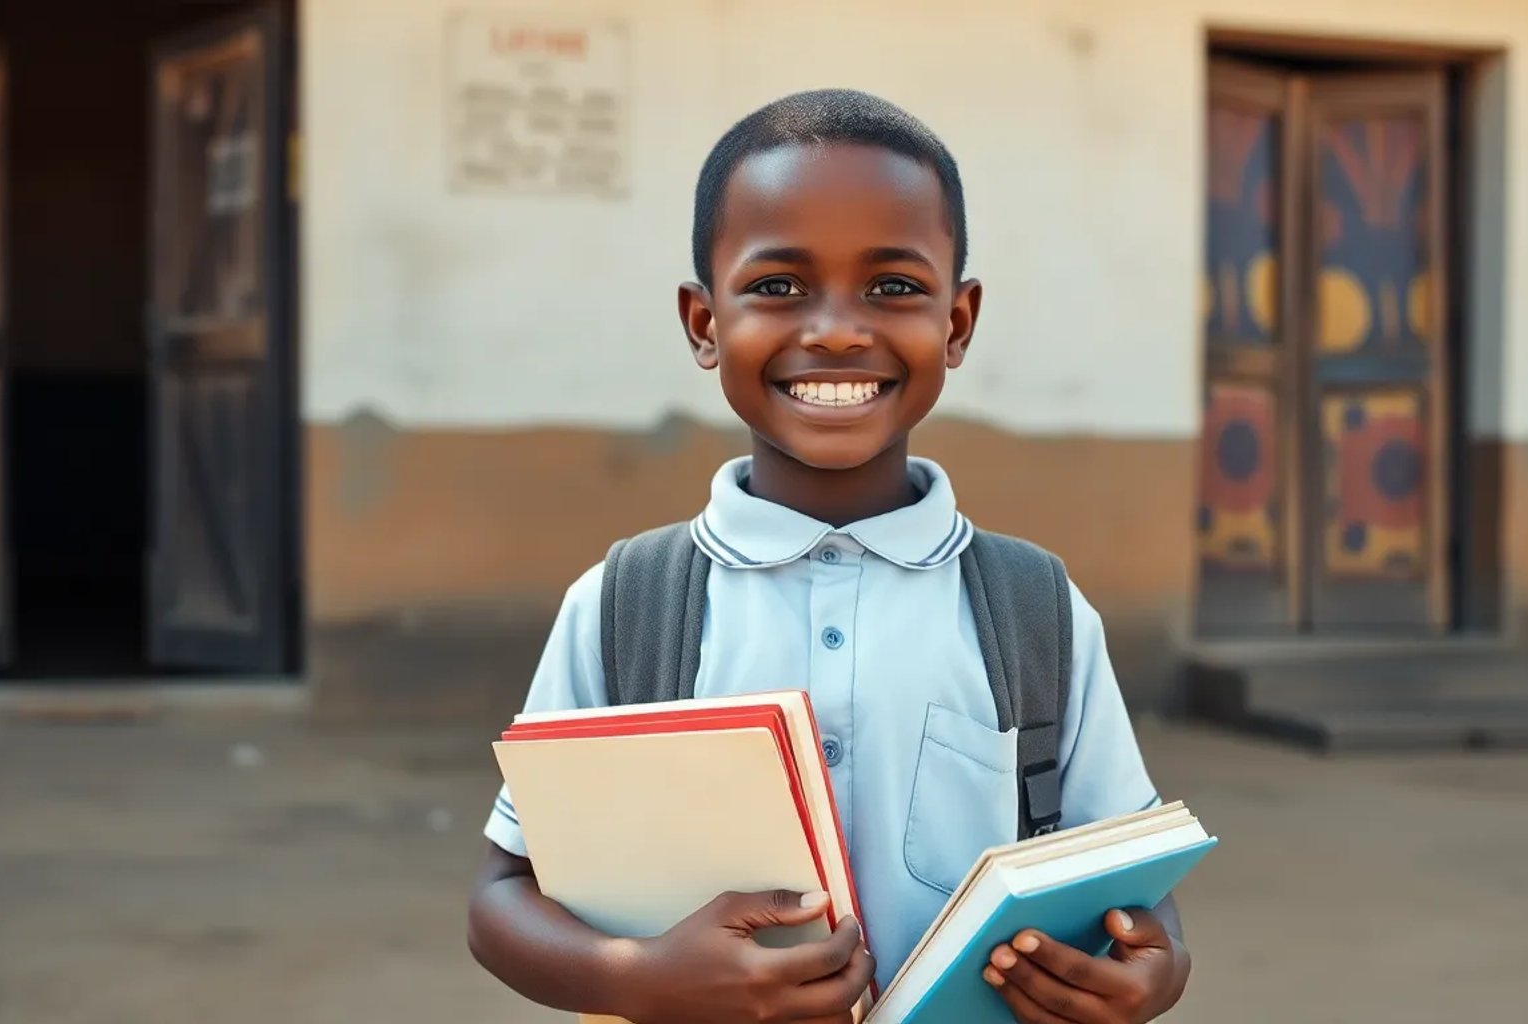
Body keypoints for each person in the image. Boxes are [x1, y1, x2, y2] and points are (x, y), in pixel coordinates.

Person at [467, 88, 1190, 1024]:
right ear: (703, 322)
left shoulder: (1035, 608)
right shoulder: (624, 604)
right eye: (777, 286)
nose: (840, 328)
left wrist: (1155, 970)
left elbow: (1133, 881)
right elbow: (500, 900)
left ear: (958, 323)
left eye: (893, 286)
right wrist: (635, 976)